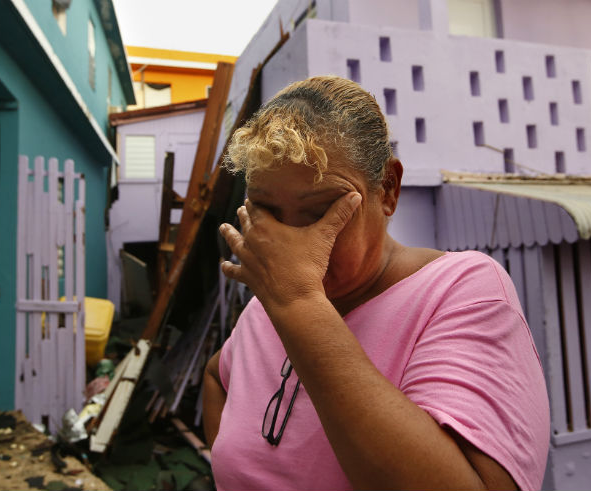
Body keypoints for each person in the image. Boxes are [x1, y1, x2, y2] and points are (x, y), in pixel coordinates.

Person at [202, 75, 549, 490]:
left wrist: (299, 305)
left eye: (318, 212)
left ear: (387, 189)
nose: (288, 247)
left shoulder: (460, 291)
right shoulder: (267, 304)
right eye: (267, 212)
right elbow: (215, 377)